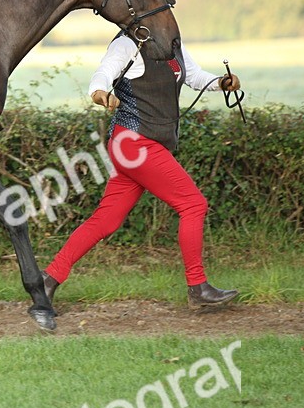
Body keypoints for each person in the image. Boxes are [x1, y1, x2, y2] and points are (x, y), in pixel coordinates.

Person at [41, 28, 242, 312]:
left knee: (106, 220)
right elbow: (102, 75)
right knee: (193, 204)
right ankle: (198, 287)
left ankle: (49, 279)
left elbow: (194, 76)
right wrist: (100, 94)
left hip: (139, 144)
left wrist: (221, 82)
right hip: (135, 144)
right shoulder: (127, 44)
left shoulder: (171, 43)